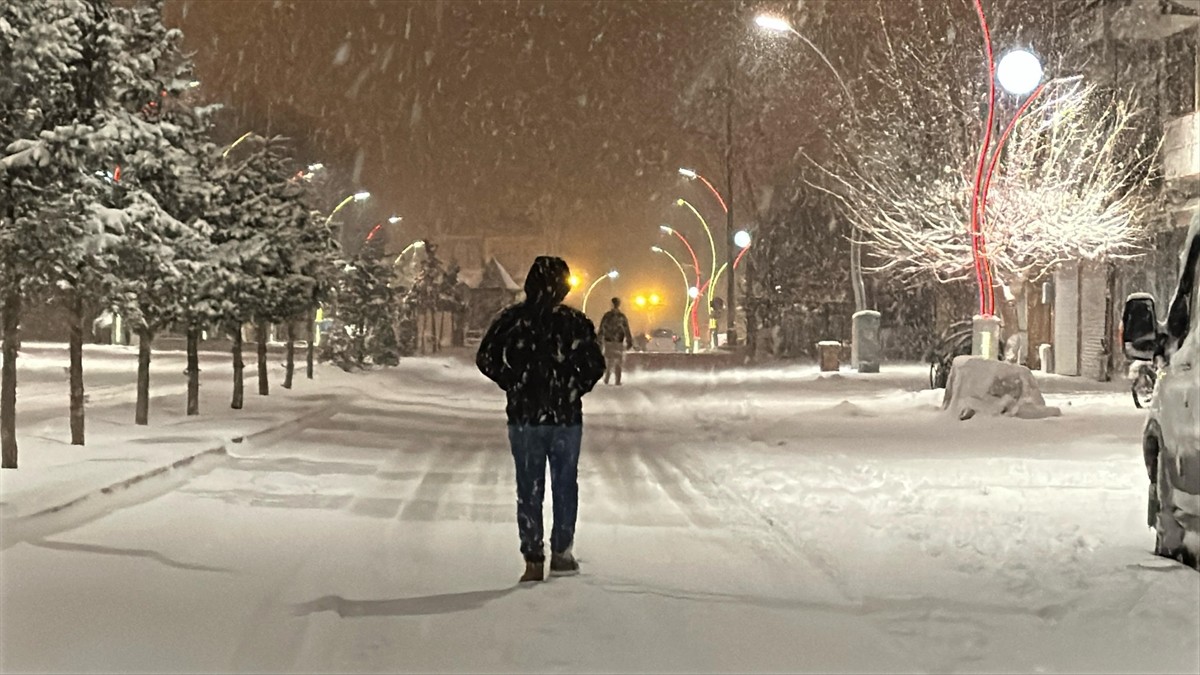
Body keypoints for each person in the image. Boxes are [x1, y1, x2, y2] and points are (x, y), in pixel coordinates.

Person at [477, 256, 606, 583]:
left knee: (529, 485)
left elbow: (486, 358)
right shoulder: (575, 322)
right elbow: (595, 365)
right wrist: (573, 388)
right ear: (564, 286)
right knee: (565, 484)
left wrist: (513, 382)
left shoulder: (511, 320)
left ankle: (533, 557)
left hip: (524, 417)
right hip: (565, 418)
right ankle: (562, 552)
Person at [598, 297, 634, 385]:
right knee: (618, 361)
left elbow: (602, 328)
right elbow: (626, 329)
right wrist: (629, 341)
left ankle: (607, 378)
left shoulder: (607, 316)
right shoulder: (622, 317)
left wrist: (599, 340)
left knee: (609, 360)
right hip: (619, 341)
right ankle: (617, 380)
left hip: (608, 341)